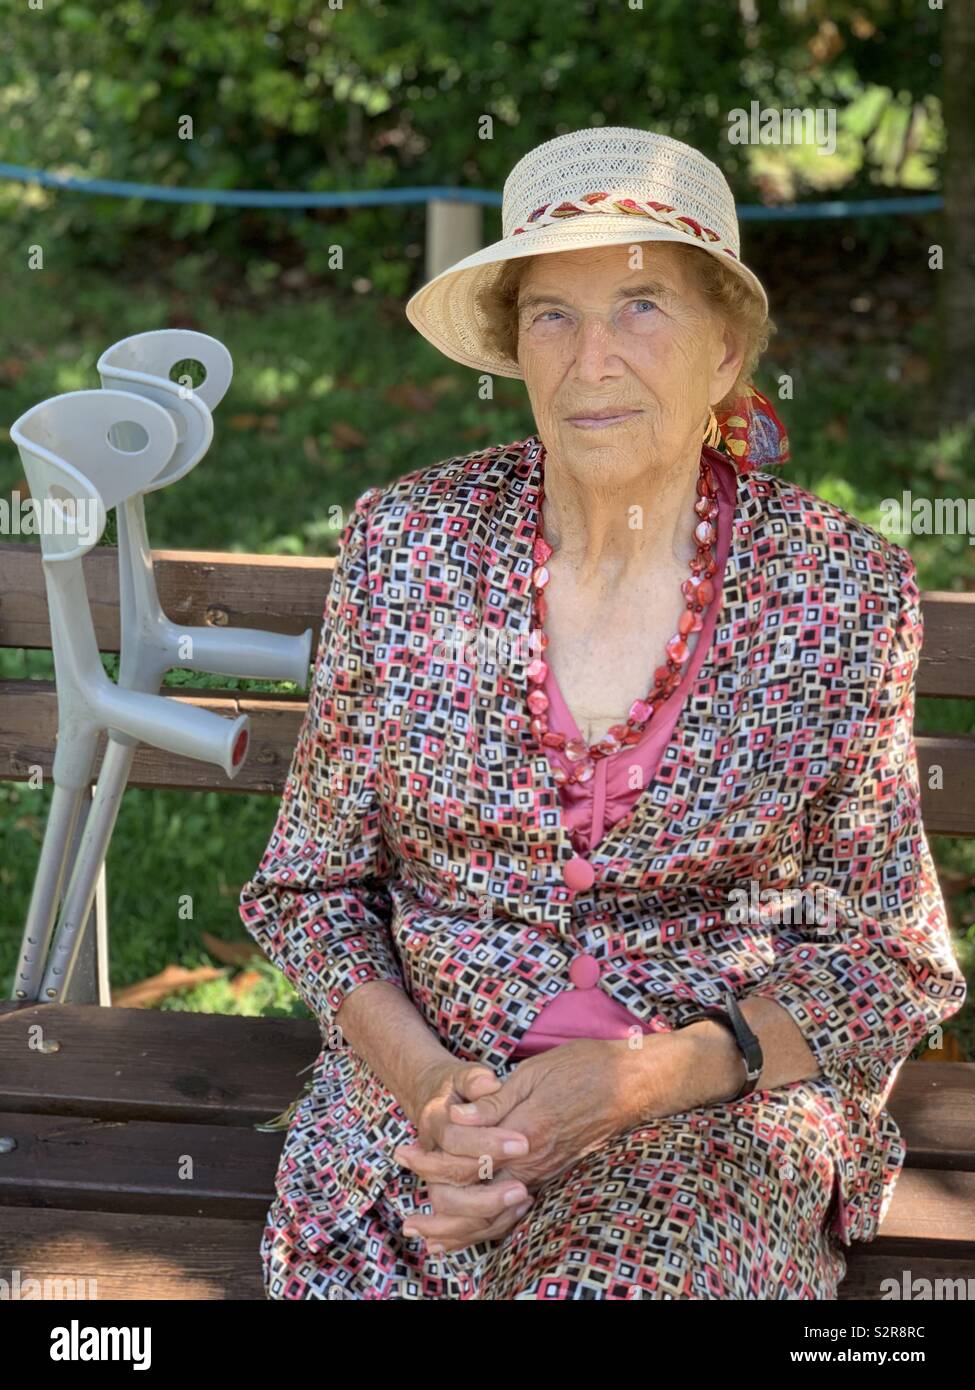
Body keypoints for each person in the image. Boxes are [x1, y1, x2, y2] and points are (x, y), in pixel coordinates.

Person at [238, 126, 967, 1300]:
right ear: (514, 348)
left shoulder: (838, 592)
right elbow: (312, 885)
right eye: (552, 315)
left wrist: (645, 1077)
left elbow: (888, 956)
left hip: (704, 1124)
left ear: (726, 347)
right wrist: (431, 1085)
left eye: (641, 306)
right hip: (430, 1118)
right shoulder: (408, 546)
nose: (592, 360)